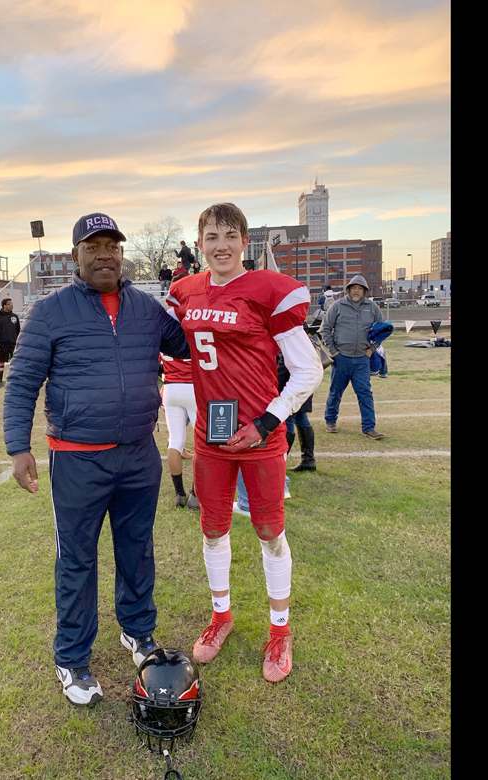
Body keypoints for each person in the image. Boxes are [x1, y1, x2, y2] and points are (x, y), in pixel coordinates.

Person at [3, 212, 192, 706]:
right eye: (93, 247)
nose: (104, 254)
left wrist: (205, 297)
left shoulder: (146, 310)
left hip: (137, 455)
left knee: (137, 547)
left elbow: (190, 343)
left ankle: (137, 631)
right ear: (75, 257)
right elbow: (22, 381)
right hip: (77, 460)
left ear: (122, 254)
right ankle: (72, 659)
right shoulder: (49, 312)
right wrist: (17, 447)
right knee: (77, 561)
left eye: (112, 246)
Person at [166, 202, 323, 683]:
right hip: (211, 435)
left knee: (270, 533)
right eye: (211, 236)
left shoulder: (264, 290)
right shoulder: (185, 292)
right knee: (212, 531)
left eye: (230, 235)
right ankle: (221, 617)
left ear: (245, 242)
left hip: (258, 436)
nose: (221, 245)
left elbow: (308, 370)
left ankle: (280, 629)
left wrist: (265, 421)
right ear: (199, 244)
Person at [321, 274, 386, 439]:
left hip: (362, 360)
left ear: (365, 291)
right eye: (354, 288)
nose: (356, 291)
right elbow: (325, 329)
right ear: (348, 289)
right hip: (341, 358)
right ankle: (330, 421)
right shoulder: (337, 306)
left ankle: (369, 427)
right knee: (335, 392)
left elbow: (382, 330)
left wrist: (371, 349)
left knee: (365, 393)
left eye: (360, 288)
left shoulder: (372, 308)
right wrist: (333, 351)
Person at [159, 346, 200, 509]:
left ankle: (179, 493)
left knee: (174, 441)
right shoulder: (192, 326)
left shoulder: (165, 328)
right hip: (194, 387)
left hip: (171, 387)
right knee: (201, 443)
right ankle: (195, 494)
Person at [0, 298, 20, 388]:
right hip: (2, 344)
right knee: (1, 362)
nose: (11, 305)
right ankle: (0, 381)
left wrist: (19, 342)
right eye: (9, 304)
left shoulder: (15, 316)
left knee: (16, 362)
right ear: (4, 305)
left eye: (12, 303)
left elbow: (18, 331)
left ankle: (16, 381)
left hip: (14, 344)